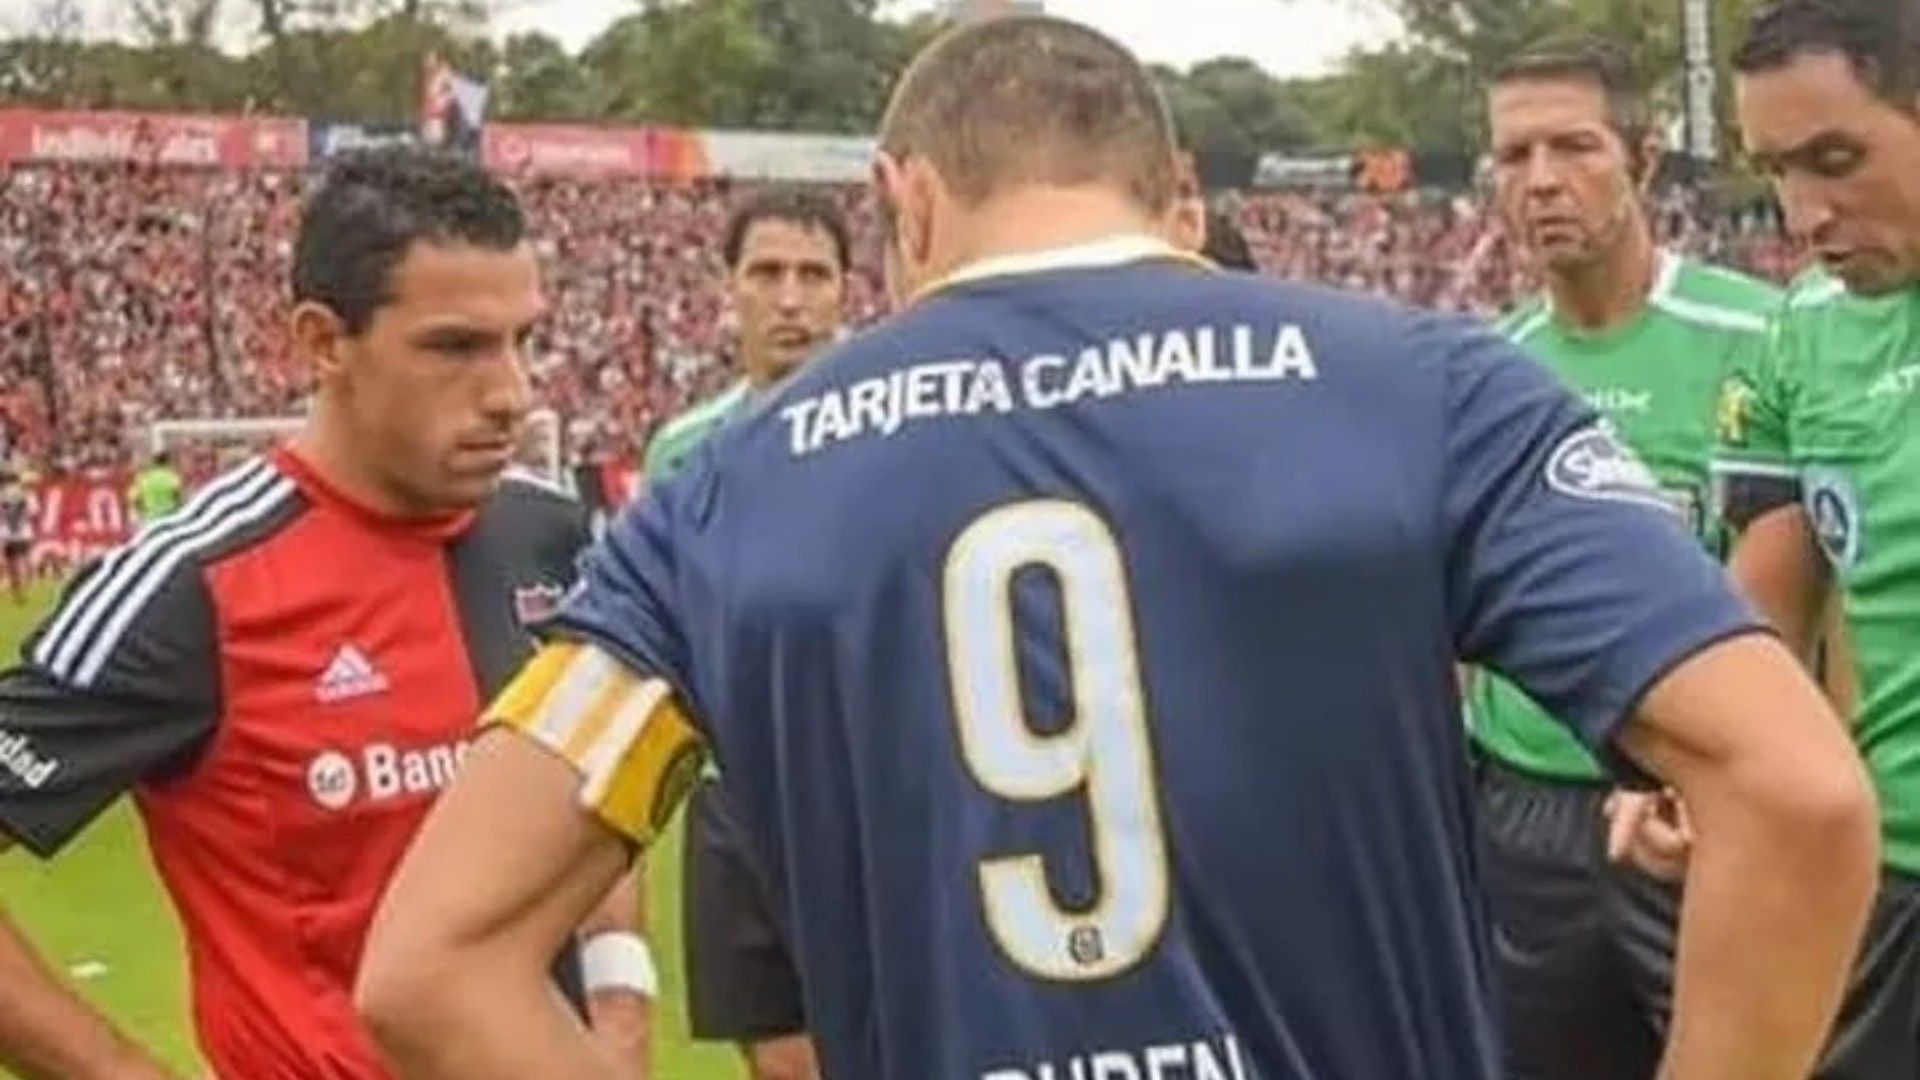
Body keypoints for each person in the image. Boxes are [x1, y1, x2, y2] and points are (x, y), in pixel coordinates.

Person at [358, 17, 1876, 1080]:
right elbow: (1796, 791)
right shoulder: (1431, 387)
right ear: (1172, 192)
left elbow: (431, 967)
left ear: (906, 198)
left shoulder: (716, 493)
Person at [0, 148, 651, 1080]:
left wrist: (621, 1010)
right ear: (320, 341)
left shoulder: (552, 537)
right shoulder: (195, 584)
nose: (512, 392)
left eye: (525, 341)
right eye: (456, 346)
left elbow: (594, 801)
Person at [1464, 39, 1782, 1079]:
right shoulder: (1481, 372)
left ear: (1642, 162)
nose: (1541, 181)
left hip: (1703, 800)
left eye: (1574, 147)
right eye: (1513, 156)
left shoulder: (1757, 335)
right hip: (1526, 809)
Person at [1703, 0, 1920, 1072]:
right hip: (1892, 876)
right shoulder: (1801, 332)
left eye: (1837, 158)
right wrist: (1707, 766)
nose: (1802, 212)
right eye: (1777, 170)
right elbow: (1765, 601)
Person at [646, 188, 851, 1080]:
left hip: (865, 782)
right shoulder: (684, 451)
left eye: (815, 274)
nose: (791, 297)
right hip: (737, 793)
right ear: (728, 289)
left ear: (849, 291)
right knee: (777, 1057)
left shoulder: (903, 427)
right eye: (767, 273)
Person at [0, 470, 32, 605]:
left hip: (9, 532)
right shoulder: (24, 493)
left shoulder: (2, 495)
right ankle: (24, 590)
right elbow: (30, 511)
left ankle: (18, 592)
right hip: (22, 531)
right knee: (23, 560)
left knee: (12, 563)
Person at [128, 451, 185, 525]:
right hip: (170, 515)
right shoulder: (171, 476)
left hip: (151, 518)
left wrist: (141, 512)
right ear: (167, 462)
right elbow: (177, 494)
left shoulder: (143, 477)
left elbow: (134, 498)